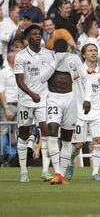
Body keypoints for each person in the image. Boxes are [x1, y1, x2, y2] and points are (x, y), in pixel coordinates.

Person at [39, 39, 92, 184]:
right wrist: (56, 61)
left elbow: (86, 78)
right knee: (52, 130)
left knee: (67, 138)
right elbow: (42, 79)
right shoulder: (48, 58)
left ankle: (61, 175)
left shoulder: (74, 59)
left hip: (70, 99)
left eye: (64, 49)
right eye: (59, 49)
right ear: (53, 49)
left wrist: (87, 99)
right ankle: (56, 171)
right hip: (53, 98)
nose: (62, 51)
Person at [14, 25, 53, 182]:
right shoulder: (21, 56)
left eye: (39, 34)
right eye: (34, 34)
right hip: (25, 100)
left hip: (44, 99)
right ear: (27, 38)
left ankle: (45, 170)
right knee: (23, 133)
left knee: (46, 131)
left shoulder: (49, 54)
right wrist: (31, 94)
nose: (37, 36)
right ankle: (23, 171)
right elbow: (19, 80)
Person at [66, 43, 100, 182]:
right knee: (78, 145)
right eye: (90, 50)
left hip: (96, 112)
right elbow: (68, 81)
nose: (93, 52)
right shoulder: (78, 70)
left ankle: (95, 173)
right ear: (83, 54)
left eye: (95, 50)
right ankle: (71, 162)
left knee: (98, 140)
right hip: (79, 112)